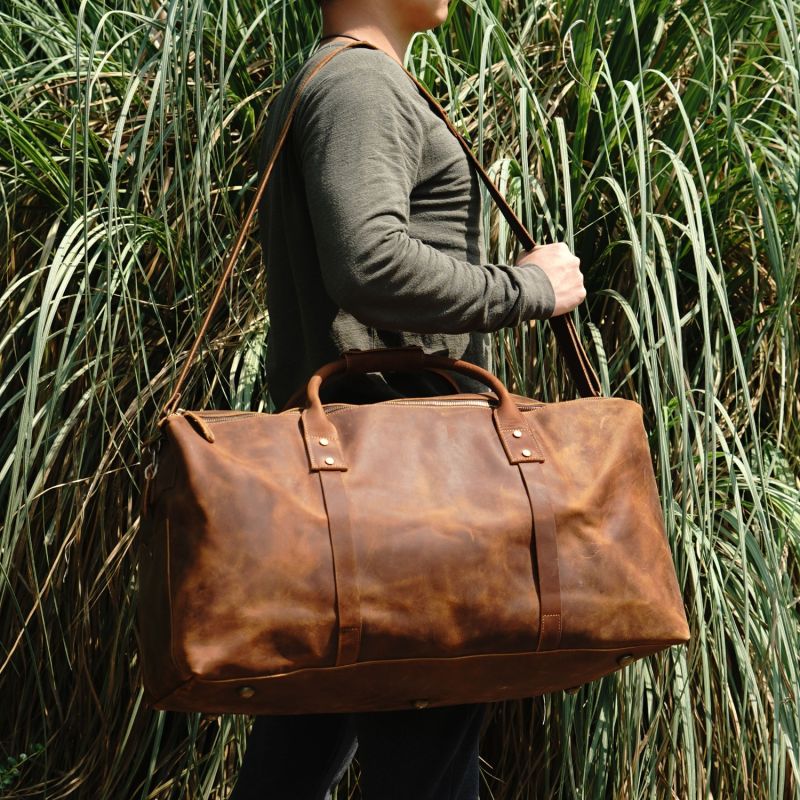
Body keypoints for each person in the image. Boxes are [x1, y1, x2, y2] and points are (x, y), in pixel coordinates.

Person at [229, 1, 586, 798]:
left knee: (300, 750)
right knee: (427, 760)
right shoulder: (362, 84)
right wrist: (530, 287)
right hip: (412, 488)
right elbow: (369, 261)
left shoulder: (335, 78)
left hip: (353, 489)